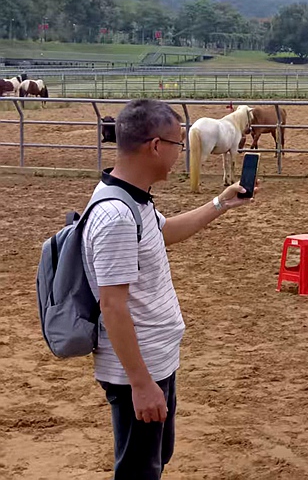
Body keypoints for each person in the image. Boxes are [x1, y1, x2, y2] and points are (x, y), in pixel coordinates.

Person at [82, 99, 258, 479]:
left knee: (155, 460)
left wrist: (221, 203)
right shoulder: (117, 216)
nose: (182, 152)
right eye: (179, 144)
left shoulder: (134, 198)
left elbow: (163, 232)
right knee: (139, 472)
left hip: (154, 360)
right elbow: (113, 306)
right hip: (139, 368)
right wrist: (141, 384)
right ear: (155, 146)